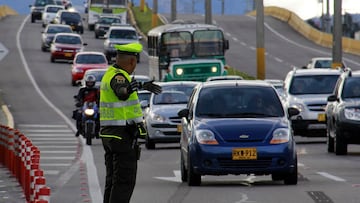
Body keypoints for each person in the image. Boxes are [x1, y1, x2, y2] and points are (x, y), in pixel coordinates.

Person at [99, 42, 162, 203]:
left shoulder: (110, 73)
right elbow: (121, 91)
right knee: (124, 182)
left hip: (110, 135)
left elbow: (122, 89)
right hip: (121, 137)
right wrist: (127, 90)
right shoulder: (119, 77)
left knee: (113, 181)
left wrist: (140, 85)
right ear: (132, 61)